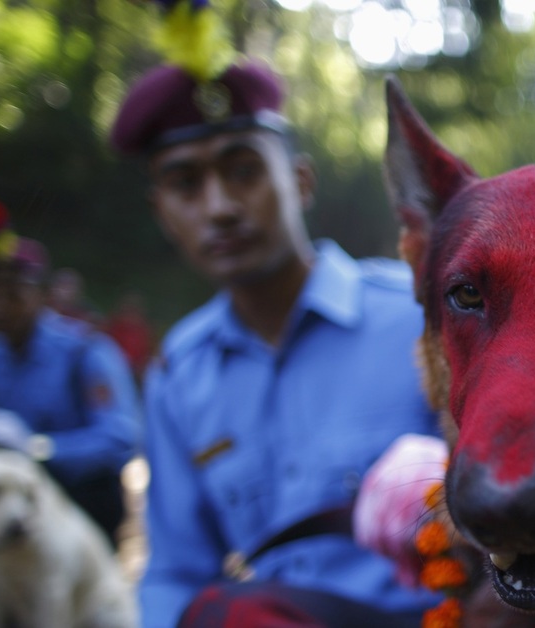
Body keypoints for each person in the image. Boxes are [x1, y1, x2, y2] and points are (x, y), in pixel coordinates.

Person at [109, 53, 443, 626]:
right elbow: (176, 572)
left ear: (300, 180)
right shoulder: (180, 377)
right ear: (160, 211)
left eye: (244, 171)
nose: (219, 208)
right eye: (185, 184)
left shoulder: (422, 316)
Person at [0, 205, 141, 549]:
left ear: (41, 294)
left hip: (80, 516)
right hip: (11, 517)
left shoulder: (84, 352)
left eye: (13, 294)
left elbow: (119, 438)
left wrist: (38, 449)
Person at [104, 292, 156, 384]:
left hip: (137, 372)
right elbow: (108, 349)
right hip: (116, 370)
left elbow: (148, 350)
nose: (131, 314)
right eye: (128, 310)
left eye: (134, 310)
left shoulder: (144, 328)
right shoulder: (113, 326)